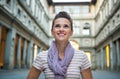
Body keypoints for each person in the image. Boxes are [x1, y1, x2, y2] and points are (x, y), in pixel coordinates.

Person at [27, 11, 93, 79]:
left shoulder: (82, 57)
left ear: (71, 32)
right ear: (52, 31)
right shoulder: (42, 57)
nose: (61, 29)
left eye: (66, 26)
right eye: (57, 26)